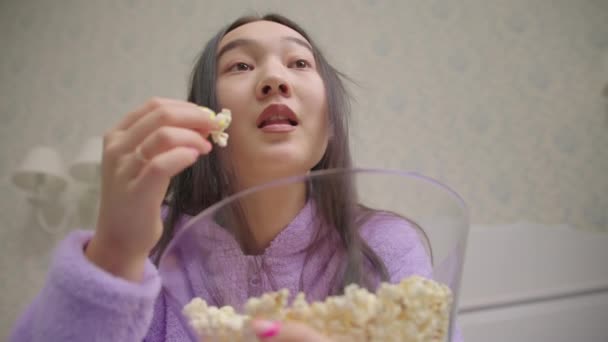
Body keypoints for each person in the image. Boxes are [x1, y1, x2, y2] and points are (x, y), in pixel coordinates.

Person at [10, 14, 446, 341]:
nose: (274, 78)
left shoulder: (385, 249)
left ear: (329, 125)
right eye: (239, 66)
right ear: (207, 119)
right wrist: (116, 251)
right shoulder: (150, 257)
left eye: (298, 62)